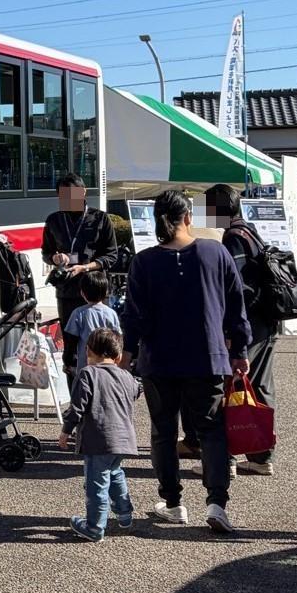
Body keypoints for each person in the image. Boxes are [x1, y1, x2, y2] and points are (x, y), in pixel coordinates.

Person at [122, 190, 251, 534]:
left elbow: (133, 315)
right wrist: (240, 350)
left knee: (164, 432)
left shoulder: (144, 262)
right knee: (211, 429)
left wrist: (127, 354)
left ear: (156, 221)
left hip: (158, 359)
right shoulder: (215, 252)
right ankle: (216, 501)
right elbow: (236, 306)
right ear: (188, 218)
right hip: (207, 356)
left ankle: (173, 502)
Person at [204, 183, 278, 475]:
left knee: (231, 387)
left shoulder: (232, 238)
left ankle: (227, 458)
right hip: (267, 320)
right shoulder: (250, 231)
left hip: (249, 324)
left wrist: (231, 329)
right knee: (260, 386)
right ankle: (261, 456)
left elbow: (237, 290)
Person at [58, 327, 141, 542]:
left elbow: (77, 407)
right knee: (115, 473)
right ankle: (124, 514)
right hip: (124, 439)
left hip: (99, 439)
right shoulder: (127, 376)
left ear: (88, 351)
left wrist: (66, 431)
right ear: (119, 356)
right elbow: (136, 390)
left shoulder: (88, 374)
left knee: (97, 482)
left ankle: (94, 526)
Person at [42, 173, 119, 388]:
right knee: (71, 347)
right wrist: (55, 258)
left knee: (101, 342)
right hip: (67, 290)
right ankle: (77, 394)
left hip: (94, 290)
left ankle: (103, 390)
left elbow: (112, 256)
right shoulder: (54, 220)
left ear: (83, 192)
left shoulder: (100, 219)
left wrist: (85, 267)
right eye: (63, 196)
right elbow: (46, 252)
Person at [62, 270, 121, 376]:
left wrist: (67, 362)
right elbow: (118, 339)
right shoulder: (111, 313)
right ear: (106, 291)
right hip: (109, 366)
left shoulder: (78, 313)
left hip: (86, 367)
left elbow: (71, 341)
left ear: (82, 293)